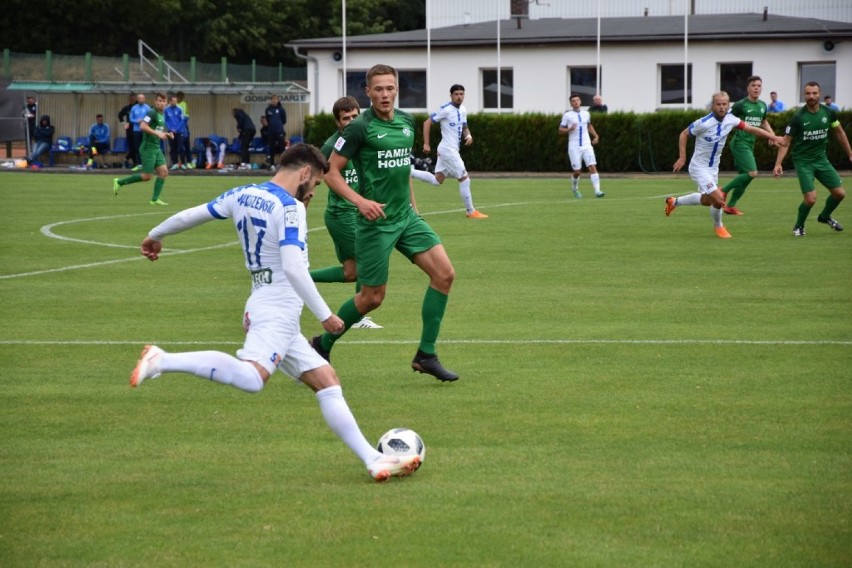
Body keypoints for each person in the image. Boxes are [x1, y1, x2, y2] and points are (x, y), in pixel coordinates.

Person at [130, 143, 420, 482]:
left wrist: (155, 235)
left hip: (264, 302)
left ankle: (373, 460)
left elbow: (191, 215)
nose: (313, 193)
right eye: (315, 185)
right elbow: (294, 267)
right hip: (276, 311)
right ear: (306, 174)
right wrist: (326, 315)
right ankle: (162, 360)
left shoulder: (243, 192)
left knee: (327, 382)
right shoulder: (290, 207)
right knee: (252, 378)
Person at [316, 63, 459, 382]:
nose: (384, 94)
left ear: (397, 89)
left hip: (405, 218)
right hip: (376, 223)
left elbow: (401, 170)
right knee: (371, 298)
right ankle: (321, 344)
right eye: (378, 89)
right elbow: (329, 170)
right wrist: (360, 201)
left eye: (390, 88)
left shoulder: (407, 123)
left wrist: (413, 206)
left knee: (445, 274)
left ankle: (426, 354)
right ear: (367, 92)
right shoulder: (358, 128)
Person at [666, 91, 787, 238]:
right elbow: (684, 134)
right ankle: (719, 227)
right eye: (718, 104)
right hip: (699, 167)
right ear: (713, 106)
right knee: (718, 199)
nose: (722, 107)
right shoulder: (703, 123)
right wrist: (682, 157)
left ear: (728, 105)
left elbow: (751, 129)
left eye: (725, 104)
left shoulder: (731, 119)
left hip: (713, 168)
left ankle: (675, 202)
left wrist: (774, 137)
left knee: (706, 200)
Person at [311, 96, 383, 330]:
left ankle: (297, 278)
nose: (351, 121)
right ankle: (358, 317)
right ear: (337, 122)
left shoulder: (364, 140)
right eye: (346, 118)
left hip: (356, 213)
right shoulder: (331, 147)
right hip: (341, 215)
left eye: (355, 116)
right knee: (366, 262)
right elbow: (313, 181)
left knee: (351, 272)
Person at [773, 81, 852, 237]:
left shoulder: (829, 113)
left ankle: (824, 217)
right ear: (804, 95)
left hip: (821, 159)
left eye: (814, 93)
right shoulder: (798, 117)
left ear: (819, 94)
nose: (811, 96)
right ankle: (799, 226)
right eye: (808, 93)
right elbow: (785, 141)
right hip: (803, 162)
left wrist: (850, 153)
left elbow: (839, 133)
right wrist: (778, 164)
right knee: (810, 199)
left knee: (840, 194)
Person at [422, 84, 489, 219]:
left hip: (449, 150)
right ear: (451, 95)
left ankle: (408, 172)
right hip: (448, 150)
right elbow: (426, 123)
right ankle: (470, 211)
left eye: (461, 94)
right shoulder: (445, 110)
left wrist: (468, 136)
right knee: (464, 178)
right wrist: (426, 143)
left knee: (437, 180)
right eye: (456, 94)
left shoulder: (463, 109)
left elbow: (465, 126)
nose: (459, 97)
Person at [720, 75, 776, 215]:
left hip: (750, 144)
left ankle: (730, 206)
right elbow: (726, 120)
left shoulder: (763, 105)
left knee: (744, 178)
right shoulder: (740, 104)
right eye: (753, 85)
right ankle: (723, 191)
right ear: (748, 88)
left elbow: (764, 122)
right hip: (740, 143)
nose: (756, 88)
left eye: (758, 85)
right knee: (752, 172)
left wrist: (772, 136)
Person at [112, 92, 172, 205]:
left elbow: (156, 130)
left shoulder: (161, 114)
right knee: (147, 176)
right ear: (155, 102)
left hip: (156, 148)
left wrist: (166, 134)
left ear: (166, 103)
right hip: (148, 148)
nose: (162, 103)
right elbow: (143, 126)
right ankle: (119, 182)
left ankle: (154, 200)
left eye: (164, 101)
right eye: (159, 101)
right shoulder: (152, 112)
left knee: (163, 172)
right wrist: (158, 134)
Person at [559, 93, 604, 198]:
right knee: (577, 171)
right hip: (574, 146)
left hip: (586, 145)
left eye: (577, 100)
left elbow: (589, 125)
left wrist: (596, 136)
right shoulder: (567, 115)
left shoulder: (586, 114)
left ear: (580, 101)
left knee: (592, 166)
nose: (576, 102)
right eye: (573, 101)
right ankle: (574, 188)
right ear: (571, 103)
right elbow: (560, 130)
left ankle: (598, 191)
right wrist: (569, 129)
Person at [129, 93, 151, 171]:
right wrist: (137, 121)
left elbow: (150, 117)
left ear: (144, 99)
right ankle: (139, 164)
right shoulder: (134, 108)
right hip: (136, 130)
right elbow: (131, 119)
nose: (141, 100)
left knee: (146, 147)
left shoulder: (148, 108)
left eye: (142, 98)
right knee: (137, 147)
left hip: (145, 130)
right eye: (140, 98)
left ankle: (146, 164)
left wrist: (144, 122)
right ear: (137, 99)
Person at [164, 95, 186, 170]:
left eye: (176, 101)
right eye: (173, 101)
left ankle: (182, 163)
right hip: (171, 132)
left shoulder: (180, 109)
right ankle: (175, 163)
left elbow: (182, 120)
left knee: (181, 148)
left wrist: (177, 128)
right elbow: (166, 120)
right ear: (170, 101)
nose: (175, 102)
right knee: (173, 147)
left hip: (179, 131)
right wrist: (171, 128)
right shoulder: (166, 109)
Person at [264, 95, 287, 168]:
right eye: (273, 99)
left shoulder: (281, 109)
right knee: (271, 148)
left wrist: (279, 125)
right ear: (271, 100)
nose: (274, 101)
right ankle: (272, 164)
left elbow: (284, 120)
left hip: (279, 131)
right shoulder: (268, 109)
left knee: (282, 148)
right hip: (271, 132)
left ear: (278, 100)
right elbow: (268, 119)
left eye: (275, 99)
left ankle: (283, 164)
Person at [117, 94, 137, 168]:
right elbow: (120, 115)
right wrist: (124, 123)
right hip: (129, 130)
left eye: (133, 98)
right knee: (131, 147)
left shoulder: (139, 107)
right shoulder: (127, 108)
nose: (132, 100)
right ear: (129, 99)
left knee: (137, 146)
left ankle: (127, 159)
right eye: (131, 99)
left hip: (138, 129)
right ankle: (134, 162)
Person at [176, 91, 193, 168]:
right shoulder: (174, 105)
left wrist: (185, 119)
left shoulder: (184, 104)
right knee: (179, 147)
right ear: (177, 97)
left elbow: (186, 115)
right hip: (177, 129)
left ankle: (189, 162)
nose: (182, 99)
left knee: (187, 145)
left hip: (185, 127)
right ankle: (181, 162)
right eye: (180, 97)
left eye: (183, 97)